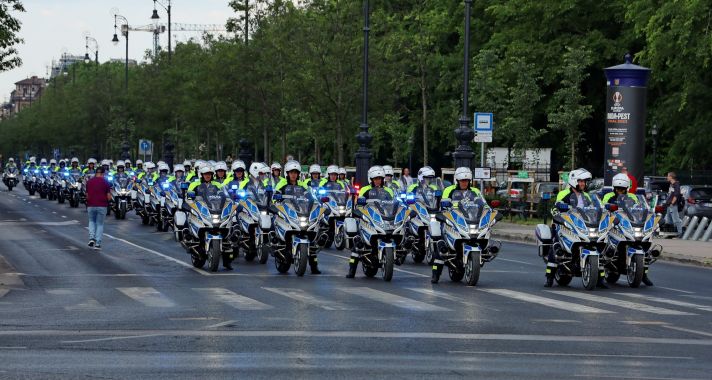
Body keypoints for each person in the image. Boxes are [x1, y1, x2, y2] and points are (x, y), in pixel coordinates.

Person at [546, 168, 607, 288]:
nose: (583, 184)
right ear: (574, 181)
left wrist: (603, 212)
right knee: (555, 246)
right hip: (564, 225)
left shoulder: (588, 197)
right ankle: (549, 277)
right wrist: (559, 209)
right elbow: (555, 208)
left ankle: (600, 279)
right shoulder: (563, 194)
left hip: (582, 225)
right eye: (580, 181)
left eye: (584, 181)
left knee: (598, 246)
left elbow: (595, 209)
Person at [431, 167, 483, 283]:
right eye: (462, 180)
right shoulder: (449, 190)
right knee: (441, 245)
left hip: (469, 221)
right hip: (452, 221)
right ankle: (435, 274)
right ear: (457, 180)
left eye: (466, 181)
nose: (464, 183)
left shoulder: (475, 191)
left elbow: (483, 205)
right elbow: (444, 206)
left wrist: (489, 210)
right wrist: (445, 208)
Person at [347, 166, 394, 279]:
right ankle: (351, 270)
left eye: (380, 178)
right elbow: (359, 204)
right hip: (368, 218)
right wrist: (359, 209)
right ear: (371, 179)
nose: (378, 181)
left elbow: (393, 204)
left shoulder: (388, 190)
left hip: (383, 218)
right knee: (357, 242)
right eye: (376, 178)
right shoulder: (365, 189)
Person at [187, 165, 234, 270]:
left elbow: (224, 195)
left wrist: (229, 198)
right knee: (188, 216)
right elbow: (189, 197)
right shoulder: (195, 184)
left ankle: (227, 262)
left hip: (214, 210)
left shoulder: (217, 184)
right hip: (201, 210)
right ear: (202, 175)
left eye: (209, 174)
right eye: (205, 174)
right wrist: (190, 197)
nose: (207, 176)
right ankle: (189, 238)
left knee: (231, 232)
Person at [86, 167, 112, 250]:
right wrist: (110, 199)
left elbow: (87, 195)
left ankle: (91, 238)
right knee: (100, 224)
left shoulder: (89, 182)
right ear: (103, 174)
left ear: (96, 173)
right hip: (102, 205)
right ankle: (97, 243)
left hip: (91, 205)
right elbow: (108, 196)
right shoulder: (106, 182)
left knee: (91, 221)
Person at [664, 171, 683, 238]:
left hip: (673, 205)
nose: (667, 177)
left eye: (668, 176)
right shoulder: (671, 184)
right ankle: (670, 233)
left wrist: (672, 203)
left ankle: (680, 233)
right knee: (669, 220)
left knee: (676, 219)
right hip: (669, 205)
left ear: (671, 177)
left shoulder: (676, 184)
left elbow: (676, 194)